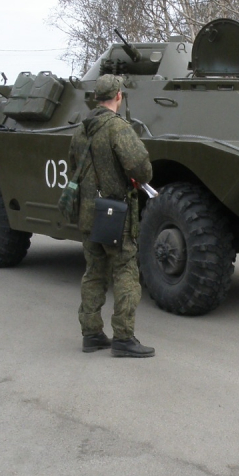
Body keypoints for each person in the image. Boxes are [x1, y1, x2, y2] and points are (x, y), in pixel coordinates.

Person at [68, 74, 155, 358]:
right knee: (126, 271)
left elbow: (74, 167)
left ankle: (91, 333)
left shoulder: (82, 130)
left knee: (93, 272)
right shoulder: (119, 128)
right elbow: (141, 168)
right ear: (119, 96)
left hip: (87, 212)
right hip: (114, 216)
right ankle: (123, 337)